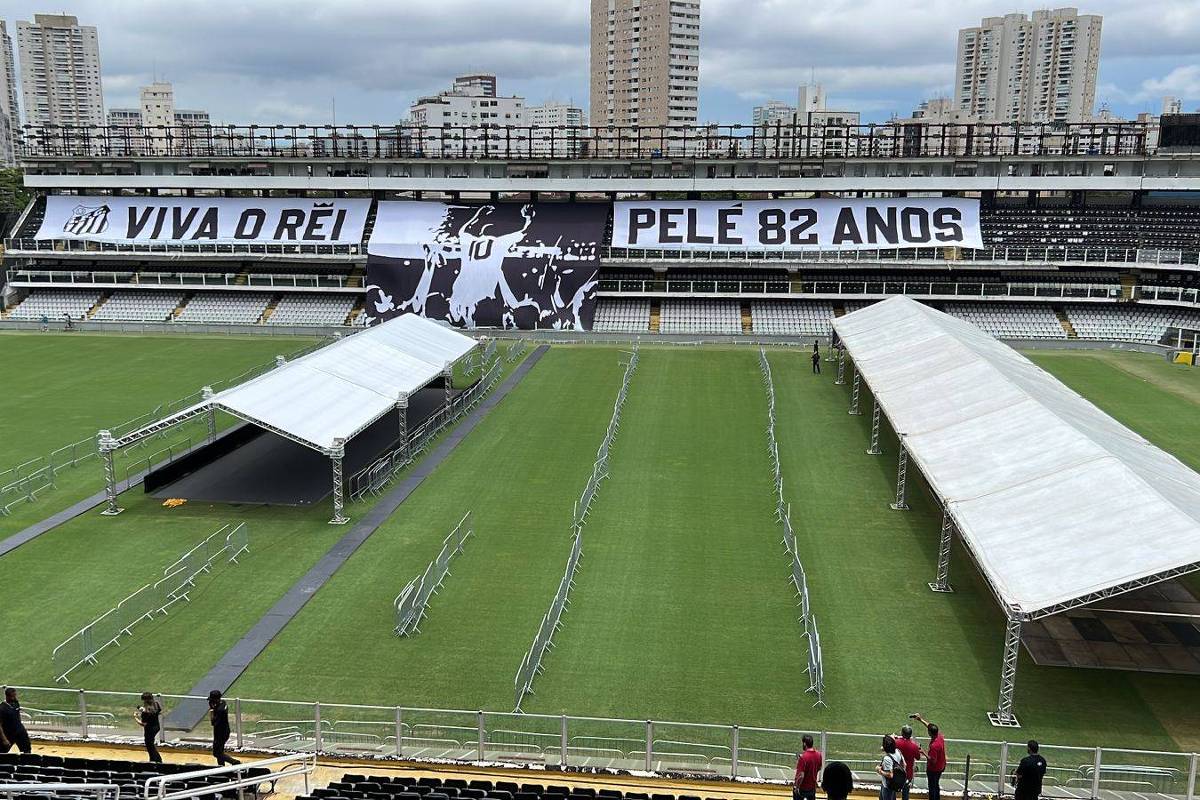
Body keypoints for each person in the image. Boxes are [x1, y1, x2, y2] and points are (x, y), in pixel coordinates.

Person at [911, 713, 946, 800]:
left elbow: (933, 760)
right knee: (936, 785)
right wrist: (920, 719)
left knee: (932, 787)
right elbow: (930, 726)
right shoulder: (940, 736)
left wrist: (923, 752)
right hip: (941, 766)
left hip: (934, 769)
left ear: (930, 733)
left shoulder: (934, 746)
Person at [208, 690, 240, 766]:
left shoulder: (219, 710)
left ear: (215, 699)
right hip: (225, 731)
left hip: (220, 734)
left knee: (216, 753)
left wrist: (212, 711)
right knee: (220, 752)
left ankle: (235, 762)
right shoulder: (223, 703)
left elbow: (213, 723)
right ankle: (221, 767)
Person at [893, 725, 922, 800]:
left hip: (896, 772)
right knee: (905, 794)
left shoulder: (896, 742)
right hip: (907, 774)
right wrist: (918, 749)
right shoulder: (914, 746)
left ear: (902, 733)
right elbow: (918, 757)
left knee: (892, 792)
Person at [0, 687, 32, 754]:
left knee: (27, 749)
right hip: (8, 733)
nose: (14, 698)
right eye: (12, 696)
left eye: (15, 696)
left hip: (20, 731)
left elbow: (18, 715)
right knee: (3, 751)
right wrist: (4, 739)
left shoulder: (16, 703)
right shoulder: (2, 708)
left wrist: (20, 726)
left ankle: (27, 762)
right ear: (7, 696)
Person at [793, 734, 824, 800]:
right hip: (812, 787)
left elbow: (801, 775)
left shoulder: (803, 757)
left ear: (804, 744)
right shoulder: (819, 755)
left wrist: (797, 787)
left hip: (802, 788)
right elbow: (819, 767)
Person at [135, 692, 163, 763]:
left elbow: (143, 724)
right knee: (151, 744)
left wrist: (135, 717)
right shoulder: (156, 704)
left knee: (150, 746)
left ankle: (156, 760)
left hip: (149, 730)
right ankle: (154, 760)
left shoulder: (145, 712)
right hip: (156, 727)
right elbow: (158, 712)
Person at [876, 735, 906, 800]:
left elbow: (890, 775)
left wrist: (879, 771)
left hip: (887, 786)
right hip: (893, 783)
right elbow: (904, 764)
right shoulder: (898, 751)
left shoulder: (887, 758)